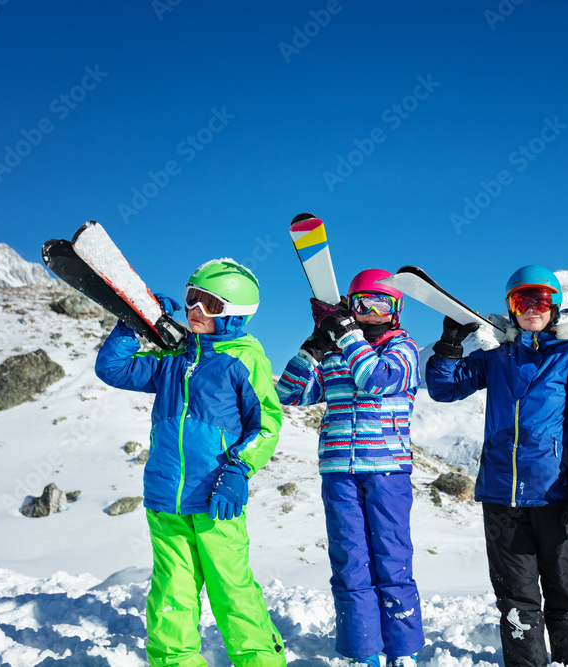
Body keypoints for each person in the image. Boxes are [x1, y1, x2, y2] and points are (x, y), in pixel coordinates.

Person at [95, 259, 287, 667]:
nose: (196, 309)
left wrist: (238, 471)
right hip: (165, 497)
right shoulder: (174, 359)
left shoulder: (244, 359)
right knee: (171, 591)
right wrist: (133, 326)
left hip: (217, 498)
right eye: (191, 299)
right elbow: (112, 369)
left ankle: (259, 660)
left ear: (235, 313)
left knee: (230, 587)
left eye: (210, 303)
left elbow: (266, 425)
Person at [426, 265, 568, 667]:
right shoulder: (497, 358)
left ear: (555, 307)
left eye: (540, 301)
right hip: (501, 497)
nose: (530, 309)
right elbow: (444, 387)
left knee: (564, 592)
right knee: (516, 599)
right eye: (521, 301)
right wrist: (450, 344)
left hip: (556, 495)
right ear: (511, 308)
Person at [275, 269, 424, 667]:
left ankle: (402, 650)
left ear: (396, 310)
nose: (371, 313)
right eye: (362, 305)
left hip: (388, 471)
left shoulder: (404, 351)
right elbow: (287, 393)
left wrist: (347, 336)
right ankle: (364, 651)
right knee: (350, 561)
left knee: (392, 559)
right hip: (339, 472)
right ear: (350, 310)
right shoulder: (339, 354)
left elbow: (376, 379)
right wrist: (313, 347)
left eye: (381, 304)